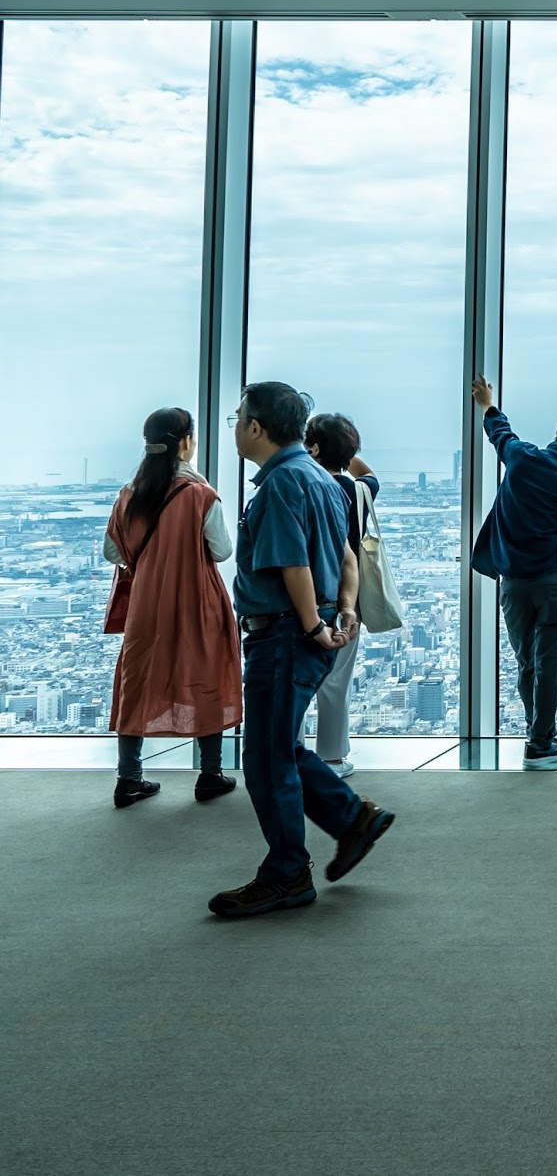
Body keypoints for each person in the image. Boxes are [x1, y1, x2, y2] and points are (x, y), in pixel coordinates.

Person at [208, 381, 394, 919]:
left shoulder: (283, 483)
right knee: (279, 745)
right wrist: (346, 611)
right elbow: (345, 555)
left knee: (265, 758)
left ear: (257, 427)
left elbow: (295, 565)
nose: (236, 427)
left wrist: (313, 626)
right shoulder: (322, 478)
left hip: (286, 636)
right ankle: (352, 818)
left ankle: (288, 873)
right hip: (306, 632)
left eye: (238, 418)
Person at [102, 408, 240, 808]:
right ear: (186, 442)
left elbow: (113, 551)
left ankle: (129, 779)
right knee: (206, 675)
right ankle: (210, 775)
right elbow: (223, 550)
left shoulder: (129, 494)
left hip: (147, 605)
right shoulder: (200, 495)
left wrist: (150, 563)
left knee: (137, 682)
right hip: (199, 602)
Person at [468, 377, 557, 771]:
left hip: (512, 583)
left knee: (526, 661)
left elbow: (500, 432)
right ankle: (541, 742)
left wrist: (487, 403)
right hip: (553, 585)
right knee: (550, 663)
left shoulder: (522, 457)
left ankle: (536, 733)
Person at [303, 412, 377, 779]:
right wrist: (346, 452)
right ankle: (332, 759)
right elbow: (369, 475)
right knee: (336, 684)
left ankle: (292, 756)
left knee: (297, 684)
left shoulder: (302, 487)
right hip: (347, 600)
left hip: (302, 599)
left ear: (311, 448)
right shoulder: (354, 489)